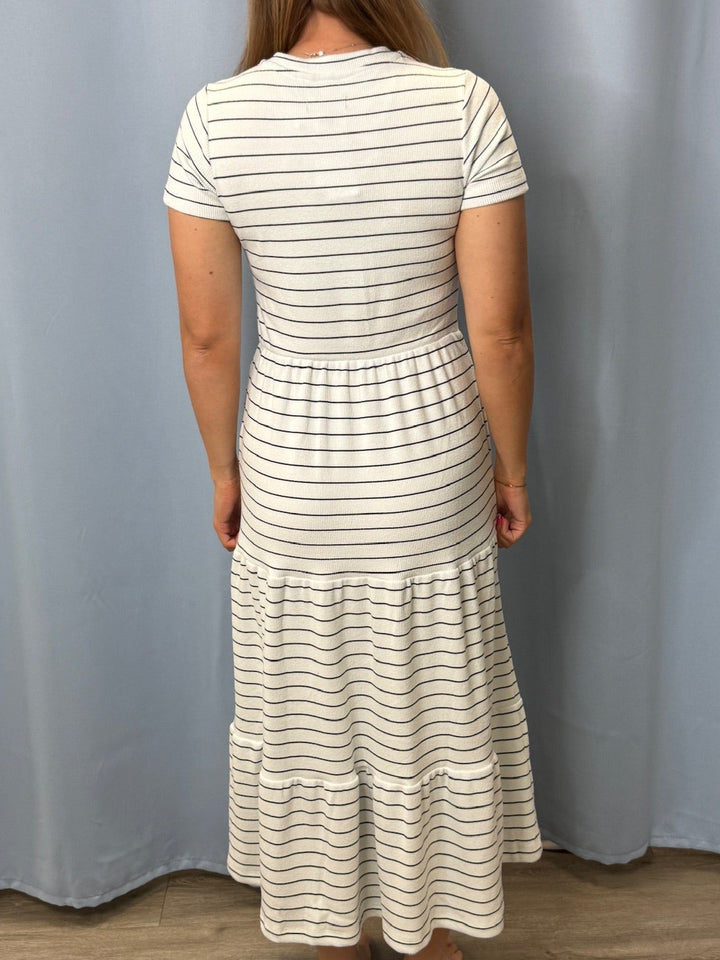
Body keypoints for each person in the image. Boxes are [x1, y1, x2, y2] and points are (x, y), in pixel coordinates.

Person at [163, 2, 541, 959]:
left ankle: (333, 934)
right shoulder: (461, 106)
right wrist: (513, 466)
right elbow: (500, 332)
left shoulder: (216, 117)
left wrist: (223, 471)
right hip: (430, 454)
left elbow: (209, 337)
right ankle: (432, 940)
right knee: (432, 702)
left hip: (289, 460)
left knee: (314, 710)